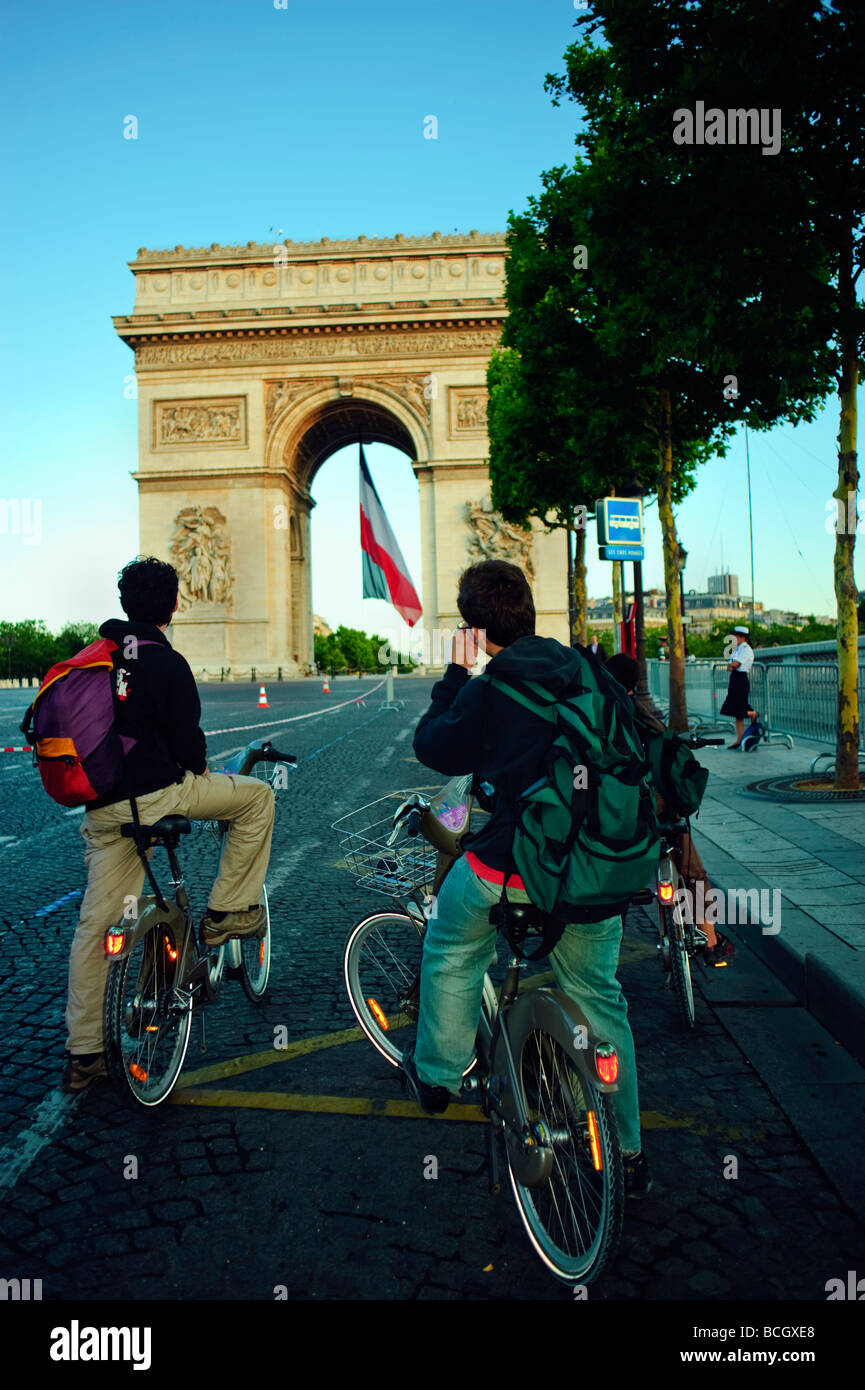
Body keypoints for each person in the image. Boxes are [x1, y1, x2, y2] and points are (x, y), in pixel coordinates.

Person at [408, 560, 652, 1196]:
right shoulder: (592, 672)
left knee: (453, 946)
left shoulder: (490, 688)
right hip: (598, 867)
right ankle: (628, 1150)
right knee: (599, 997)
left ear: (475, 626)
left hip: (518, 865)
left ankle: (438, 1074)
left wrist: (457, 673)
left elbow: (434, 747)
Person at [63, 557, 275, 1093]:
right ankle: (228, 912)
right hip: (160, 796)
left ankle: (83, 1053)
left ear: (123, 605)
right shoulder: (166, 661)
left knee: (96, 925)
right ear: (175, 605)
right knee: (257, 799)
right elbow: (190, 747)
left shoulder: (94, 659)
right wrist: (201, 768)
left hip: (103, 809)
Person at [605, 653, 735, 967]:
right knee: (693, 872)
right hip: (662, 813)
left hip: (624, 819)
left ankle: (606, 954)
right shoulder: (646, 716)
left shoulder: (601, 715)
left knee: (612, 884)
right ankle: (711, 940)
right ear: (634, 687)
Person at [721, 625, 754, 748]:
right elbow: (730, 666)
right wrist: (731, 666)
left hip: (740, 679)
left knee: (740, 708)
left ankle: (753, 715)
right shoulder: (737, 649)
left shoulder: (745, 649)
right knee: (737, 711)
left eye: (735, 636)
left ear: (741, 637)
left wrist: (732, 666)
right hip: (735, 679)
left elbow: (734, 665)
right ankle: (739, 739)